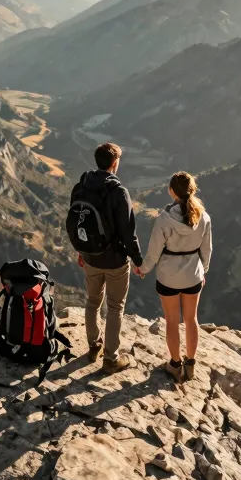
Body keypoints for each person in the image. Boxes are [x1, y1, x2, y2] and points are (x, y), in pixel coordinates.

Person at [71, 141, 142, 374]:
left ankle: (94, 346)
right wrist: (138, 260)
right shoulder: (118, 192)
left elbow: (77, 223)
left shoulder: (80, 187)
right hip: (114, 261)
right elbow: (128, 232)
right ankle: (111, 359)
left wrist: (82, 251)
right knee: (114, 307)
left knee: (92, 302)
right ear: (115, 164)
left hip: (90, 257)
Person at [136, 171, 212, 382]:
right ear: (193, 189)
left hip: (168, 277)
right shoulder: (204, 217)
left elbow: (153, 252)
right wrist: (203, 270)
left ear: (171, 191)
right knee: (191, 319)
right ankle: (191, 363)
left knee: (171, 321)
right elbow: (207, 250)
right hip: (193, 275)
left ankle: (175, 364)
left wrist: (143, 269)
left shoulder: (164, 220)